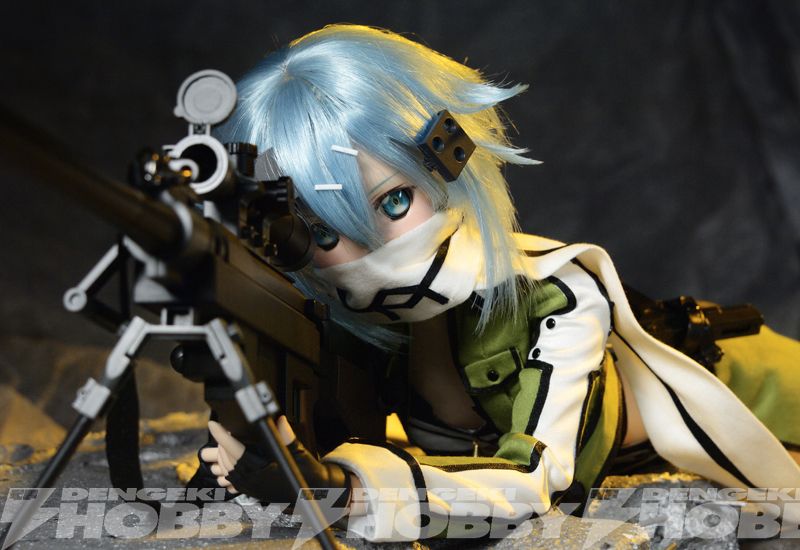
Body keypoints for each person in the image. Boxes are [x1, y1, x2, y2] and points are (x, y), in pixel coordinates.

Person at [199, 24, 800, 541]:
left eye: (395, 200)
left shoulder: (561, 294)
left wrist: (347, 490)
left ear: (449, 158)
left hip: (751, 384)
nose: (372, 251)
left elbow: (539, 484)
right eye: (323, 234)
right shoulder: (358, 327)